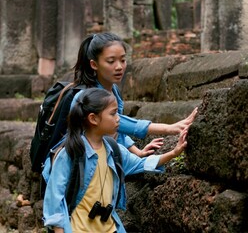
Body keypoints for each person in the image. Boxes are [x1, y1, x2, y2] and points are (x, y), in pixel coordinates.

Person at [43, 88, 188, 233]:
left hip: (110, 227)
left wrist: (174, 153)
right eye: (113, 113)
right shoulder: (71, 153)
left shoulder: (114, 150)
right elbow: (55, 197)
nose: (118, 118)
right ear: (93, 118)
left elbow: (142, 164)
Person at [71, 32, 197, 157]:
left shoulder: (113, 90)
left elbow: (117, 129)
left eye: (123, 60)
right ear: (94, 64)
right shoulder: (87, 96)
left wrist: (137, 152)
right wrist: (169, 128)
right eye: (111, 61)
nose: (119, 67)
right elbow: (120, 123)